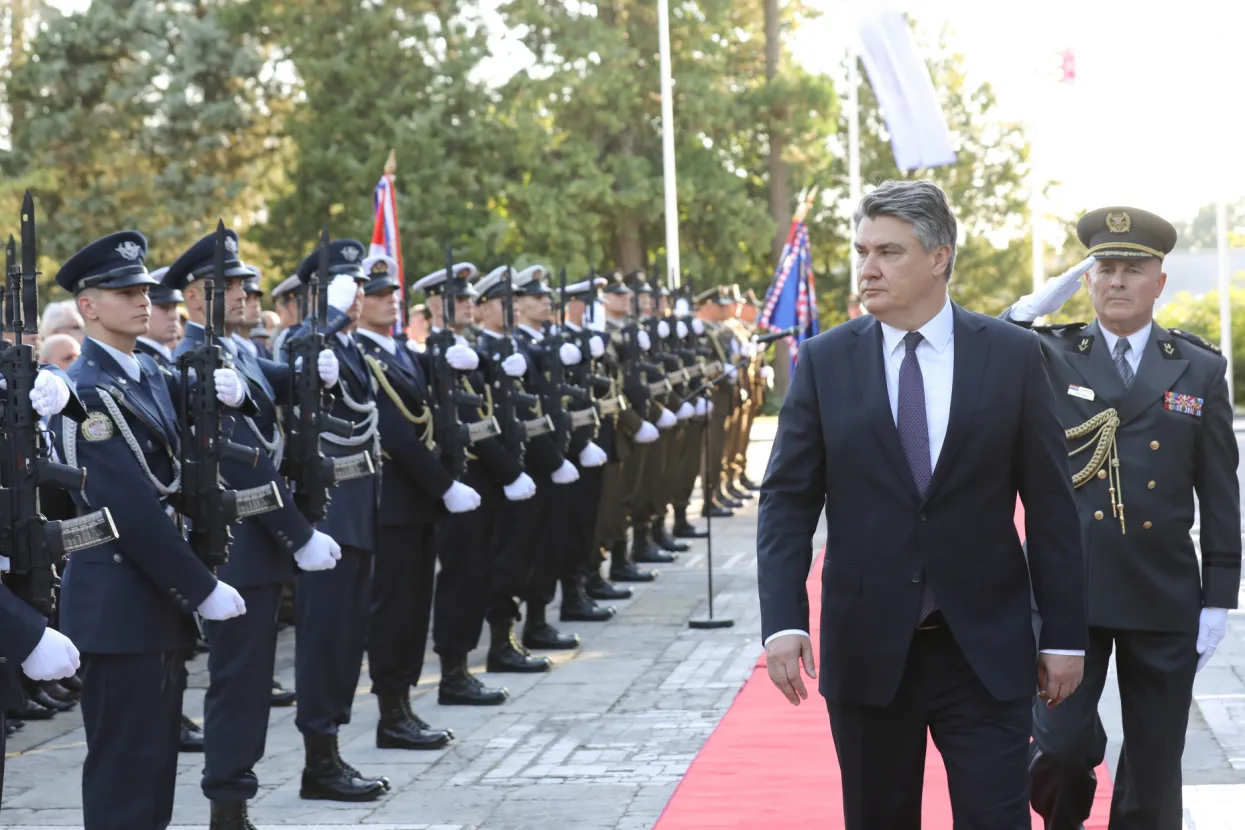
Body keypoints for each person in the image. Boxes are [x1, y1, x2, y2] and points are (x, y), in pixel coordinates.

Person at [756, 179, 1087, 829]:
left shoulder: (1012, 355)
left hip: (984, 649)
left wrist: (1065, 634)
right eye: (860, 251)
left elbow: (1051, 505)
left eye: (888, 251)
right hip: (867, 648)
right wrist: (783, 619)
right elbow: (787, 501)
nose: (867, 268)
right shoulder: (825, 362)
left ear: (938, 257)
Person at [1002, 207, 1241, 829]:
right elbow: (987, 350)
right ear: (1085, 279)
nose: (1116, 281)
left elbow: (1219, 493)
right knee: (1059, 747)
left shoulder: (1198, 367)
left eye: (1132, 270)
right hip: (1069, 590)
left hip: (1161, 589)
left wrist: (1219, 597)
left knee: (1157, 766)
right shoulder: (1049, 351)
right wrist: (1026, 312)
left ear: (1159, 282)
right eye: (1103, 268)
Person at [49, 230, 250, 829]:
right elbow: (127, 508)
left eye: (143, 288)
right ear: (88, 306)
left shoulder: (148, 376)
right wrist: (202, 586)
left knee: (156, 772)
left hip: (153, 605)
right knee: (125, 778)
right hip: (117, 609)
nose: (143, 300)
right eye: (124, 290)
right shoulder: (83, 392)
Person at [165, 229, 343, 829]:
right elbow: (240, 460)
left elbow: (275, 382)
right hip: (236, 541)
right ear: (194, 297)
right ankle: (227, 806)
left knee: (251, 682)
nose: (244, 293)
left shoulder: (237, 354)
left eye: (244, 283)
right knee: (238, 683)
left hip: (259, 542)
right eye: (228, 286)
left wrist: (313, 366)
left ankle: (236, 796)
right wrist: (299, 534)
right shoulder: (193, 361)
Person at [356, 253, 471, 748]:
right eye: (378, 294)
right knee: (394, 611)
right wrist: (444, 485)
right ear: (357, 302)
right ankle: (390, 712)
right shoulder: (362, 355)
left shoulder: (401, 350)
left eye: (392, 294)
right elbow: (398, 435)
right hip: (395, 503)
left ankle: (403, 703)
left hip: (417, 504)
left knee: (414, 609)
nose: (389, 301)